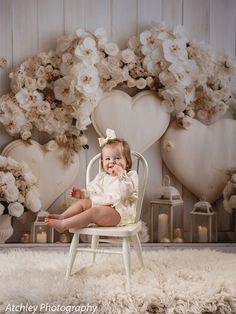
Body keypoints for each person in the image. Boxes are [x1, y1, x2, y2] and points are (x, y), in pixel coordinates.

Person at [45, 129, 138, 233]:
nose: (112, 161)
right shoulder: (102, 177)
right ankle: (63, 216)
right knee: (83, 203)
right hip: (102, 210)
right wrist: (83, 194)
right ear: (102, 162)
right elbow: (93, 192)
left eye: (117, 158)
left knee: (94, 211)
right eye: (107, 159)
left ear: (127, 163)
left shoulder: (129, 177)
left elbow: (127, 193)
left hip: (119, 214)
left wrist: (121, 175)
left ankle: (64, 225)